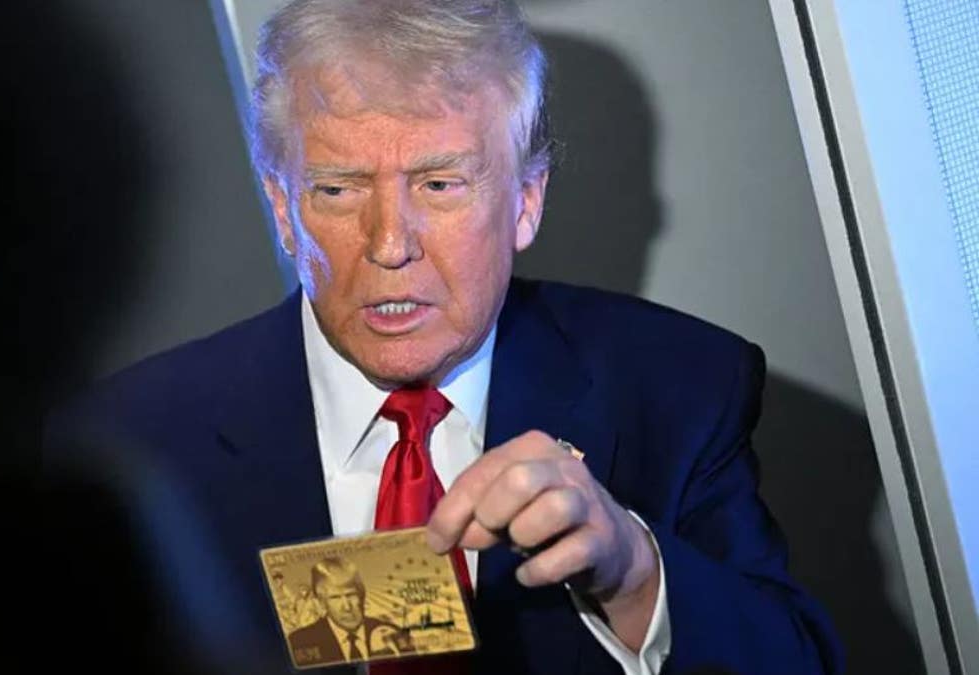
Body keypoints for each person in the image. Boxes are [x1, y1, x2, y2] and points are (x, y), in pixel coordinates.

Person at [48, 1, 842, 673]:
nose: (390, 242)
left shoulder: (679, 387)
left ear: (526, 201)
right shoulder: (134, 442)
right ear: (284, 206)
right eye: (337, 187)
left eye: (439, 184)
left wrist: (634, 572)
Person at [286, 557, 414, 667]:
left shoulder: (393, 633)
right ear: (321, 602)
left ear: (361, 596)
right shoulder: (299, 642)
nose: (346, 607)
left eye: (351, 595)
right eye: (335, 597)